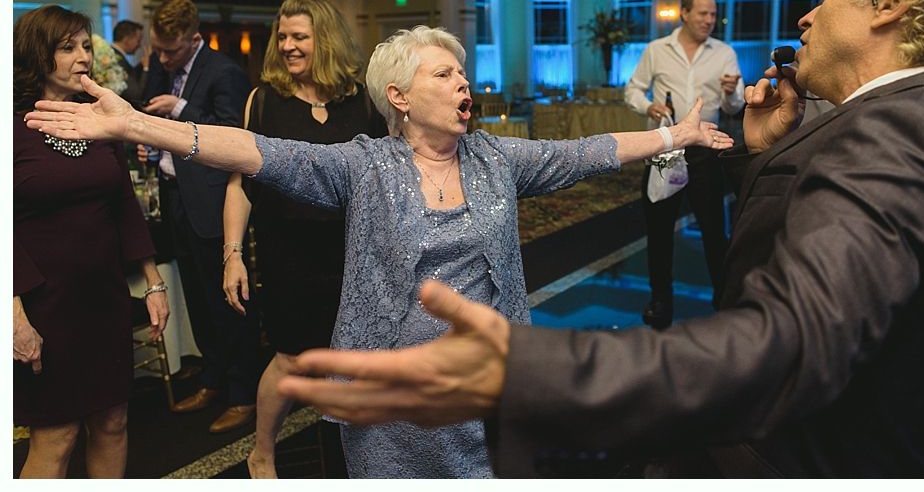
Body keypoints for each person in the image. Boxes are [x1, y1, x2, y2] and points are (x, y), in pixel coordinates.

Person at [261, 0, 924, 478]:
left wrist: (529, 373)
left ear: (893, 5)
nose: (805, 15)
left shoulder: (908, 127)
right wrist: (763, 152)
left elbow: (793, 339)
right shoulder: (923, 118)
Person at [24, 25, 732, 478]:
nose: (463, 83)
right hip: (391, 403)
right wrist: (142, 127)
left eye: (461, 73)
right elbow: (259, 151)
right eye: (444, 75)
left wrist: (679, 137)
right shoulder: (363, 166)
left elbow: (589, 151)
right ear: (398, 96)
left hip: (485, 386)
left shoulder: (497, 159)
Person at [221, 0, 388, 478]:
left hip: (355, 251)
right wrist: (232, 254)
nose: (288, 46)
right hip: (287, 253)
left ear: (327, 40)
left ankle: (359, 454)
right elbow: (241, 184)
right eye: (283, 36)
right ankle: (263, 452)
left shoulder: (363, 100)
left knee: (357, 355)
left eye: (300, 37)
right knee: (292, 358)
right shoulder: (263, 101)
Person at [14, 5, 169, 478]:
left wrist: (152, 279)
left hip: (103, 296)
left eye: (85, 45)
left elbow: (123, 202)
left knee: (113, 422)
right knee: (56, 436)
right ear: (37, 57)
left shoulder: (102, 120)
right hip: (44, 303)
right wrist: (14, 313)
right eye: (68, 48)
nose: (83, 56)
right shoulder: (12, 128)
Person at [141, 0, 259, 434]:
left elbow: (234, 135)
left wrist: (182, 111)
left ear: (195, 39)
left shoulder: (224, 72)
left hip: (213, 200)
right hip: (175, 195)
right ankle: (213, 378)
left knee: (229, 304)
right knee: (198, 301)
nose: (164, 58)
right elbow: (141, 103)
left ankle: (243, 392)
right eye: (159, 49)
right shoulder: (164, 66)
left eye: (171, 51)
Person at [625, 0, 745, 328]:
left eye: (713, 14)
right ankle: (660, 299)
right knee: (659, 229)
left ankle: (725, 297)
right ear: (685, 13)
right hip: (664, 147)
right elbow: (632, 89)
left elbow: (734, 107)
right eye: (703, 13)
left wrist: (730, 93)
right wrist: (647, 104)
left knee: (713, 230)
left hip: (707, 150)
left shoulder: (724, 53)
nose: (710, 20)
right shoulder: (656, 50)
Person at [110, 19, 148, 109]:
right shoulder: (116, 60)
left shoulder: (112, 55)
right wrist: (146, 68)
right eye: (138, 40)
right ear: (127, 39)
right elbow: (136, 94)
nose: (139, 45)